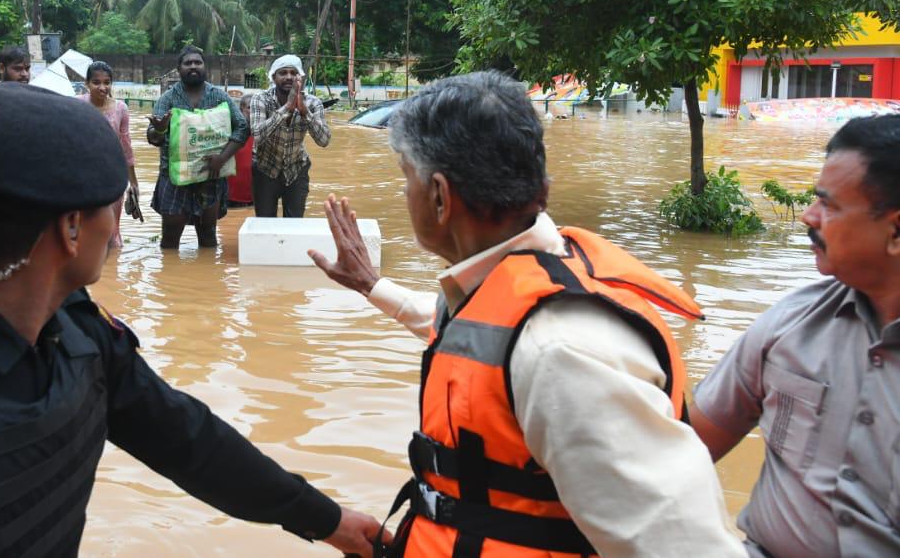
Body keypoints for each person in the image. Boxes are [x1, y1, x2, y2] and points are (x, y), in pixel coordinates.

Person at [0, 82, 382, 556]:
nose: (117, 231)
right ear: (69, 227)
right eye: (109, 210)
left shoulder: (76, 331)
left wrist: (327, 521)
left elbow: (187, 439)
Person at [309, 71, 743, 557]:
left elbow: (686, 545)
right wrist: (373, 286)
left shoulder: (563, 351)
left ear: (439, 196)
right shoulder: (514, 282)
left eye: (404, 175)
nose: (403, 192)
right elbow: (475, 343)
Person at [690, 114, 900, 557]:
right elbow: (679, 454)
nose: (809, 216)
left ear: (895, 231)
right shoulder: (789, 325)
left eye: (829, 206)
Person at [147, 45, 248, 249]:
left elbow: (243, 127)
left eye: (198, 62)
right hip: (174, 177)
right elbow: (152, 137)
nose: (193, 66)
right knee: (169, 240)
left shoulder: (219, 97)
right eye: (188, 63)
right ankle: (170, 280)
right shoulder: (168, 99)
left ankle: (208, 278)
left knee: (209, 238)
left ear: (205, 67)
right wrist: (159, 130)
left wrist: (222, 158)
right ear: (179, 69)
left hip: (211, 176)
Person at [249, 54, 330, 218]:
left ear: (300, 78)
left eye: (293, 73)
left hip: (296, 169)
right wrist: (287, 107)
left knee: (294, 225)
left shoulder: (313, 103)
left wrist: (304, 111)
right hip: (265, 168)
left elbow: (324, 140)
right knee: (265, 223)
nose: (288, 77)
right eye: (283, 73)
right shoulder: (260, 99)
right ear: (273, 77)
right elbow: (257, 135)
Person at [77, 60, 142, 248]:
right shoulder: (77, 104)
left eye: (107, 82)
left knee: (111, 232)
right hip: (83, 178)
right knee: (84, 230)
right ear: (87, 84)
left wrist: (134, 182)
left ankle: (112, 271)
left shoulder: (120, 108)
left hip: (112, 177)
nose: (102, 87)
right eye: (96, 82)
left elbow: (126, 147)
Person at [227, 94, 256, 207]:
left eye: (256, 108)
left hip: (254, 198)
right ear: (241, 110)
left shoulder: (263, 131)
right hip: (230, 198)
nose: (254, 111)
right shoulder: (230, 130)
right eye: (250, 107)